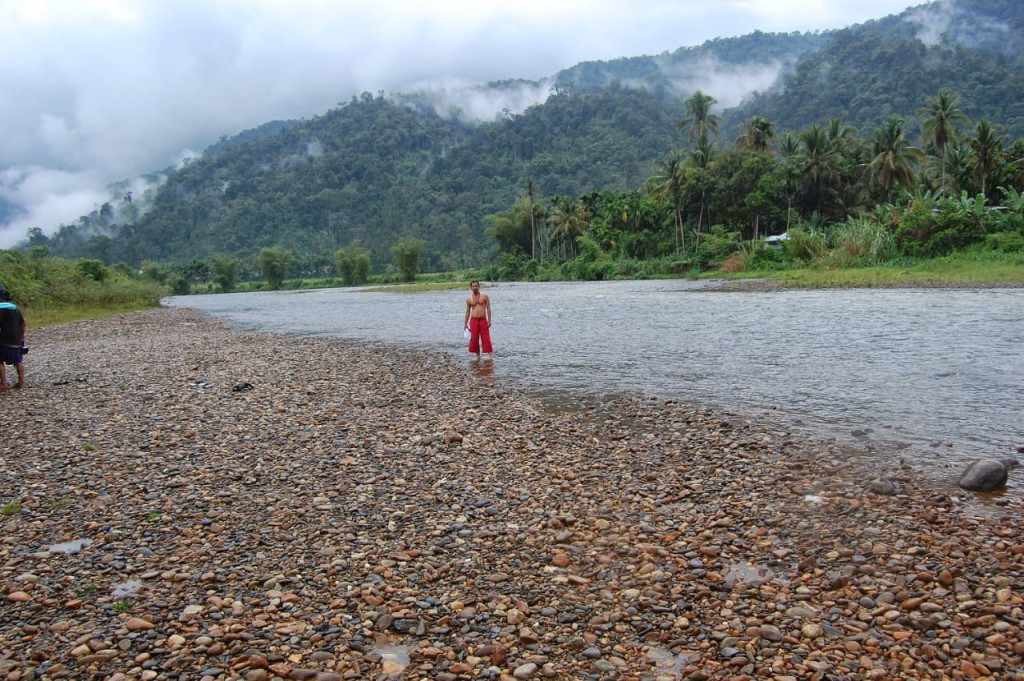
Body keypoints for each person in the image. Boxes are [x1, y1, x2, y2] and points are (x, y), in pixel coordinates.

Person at [0, 285, 26, 390]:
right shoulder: (15, 308)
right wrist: (21, 336)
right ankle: (21, 382)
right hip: (16, 339)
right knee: (18, 360)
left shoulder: (0, 309)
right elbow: (23, 323)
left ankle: (3, 383)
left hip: (3, 340)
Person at [464, 280, 493, 361]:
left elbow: (488, 308)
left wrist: (489, 320)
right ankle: (478, 357)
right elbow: (467, 311)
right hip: (473, 320)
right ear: (471, 287)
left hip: (483, 320)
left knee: (486, 338)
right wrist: (465, 323)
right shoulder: (469, 299)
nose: (475, 288)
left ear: (479, 286)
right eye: (473, 286)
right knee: (475, 338)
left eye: (476, 286)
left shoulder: (484, 296)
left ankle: (491, 357)